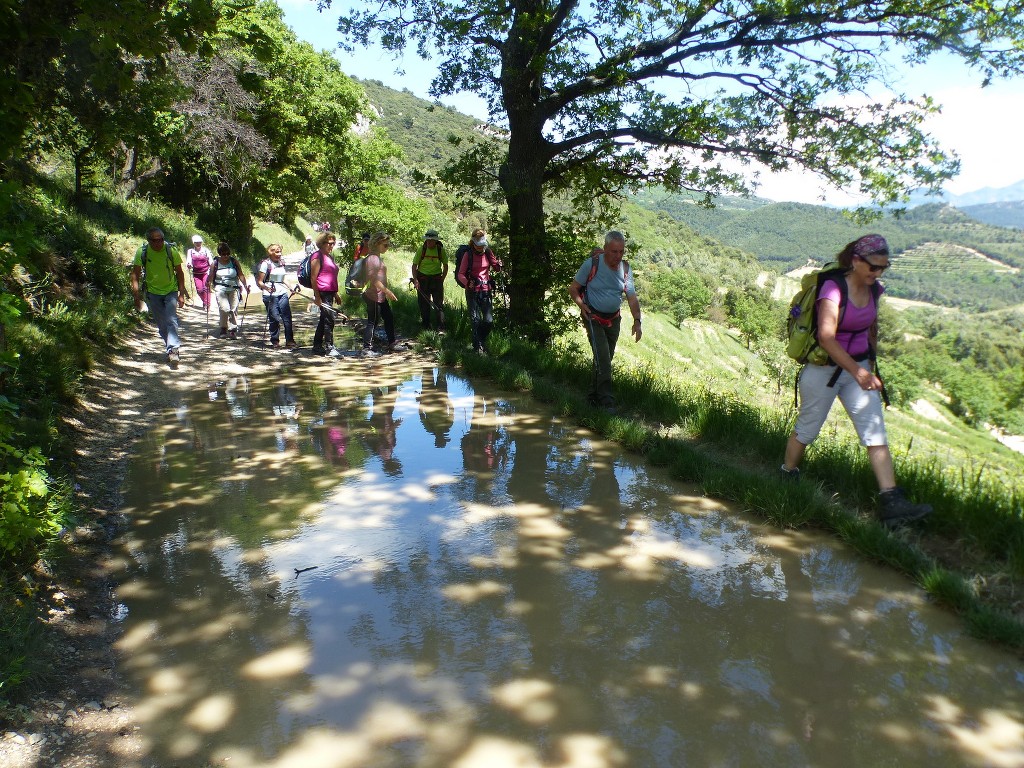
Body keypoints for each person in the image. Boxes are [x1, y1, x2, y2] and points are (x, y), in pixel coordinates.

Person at [781, 234, 932, 529]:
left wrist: (869, 366)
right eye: (874, 267)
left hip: (857, 368)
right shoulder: (833, 288)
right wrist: (859, 372)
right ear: (856, 261)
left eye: (883, 268)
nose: (878, 274)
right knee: (807, 429)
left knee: (875, 433)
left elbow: (870, 327)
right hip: (824, 369)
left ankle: (891, 503)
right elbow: (826, 337)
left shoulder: (876, 290)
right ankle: (787, 472)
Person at [567, 230, 642, 411]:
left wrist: (637, 321)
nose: (618, 256)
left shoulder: (625, 268)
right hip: (592, 317)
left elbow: (631, 296)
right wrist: (581, 305)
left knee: (603, 359)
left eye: (621, 251)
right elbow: (573, 289)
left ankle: (592, 397)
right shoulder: (592, 264)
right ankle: (606, 402)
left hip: (614, 319)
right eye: (614, 251)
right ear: (605, 249)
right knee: (604, 359)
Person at [131, 227, 187, 364]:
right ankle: (170, 348)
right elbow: (135, 274)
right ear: (148, 240)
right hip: (153, 292)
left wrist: (181, 293)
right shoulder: (142, 252)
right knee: (162, 325)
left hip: (171, 290)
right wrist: (136, 296)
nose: (158, 243)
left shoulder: (171, 250)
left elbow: (179, 272)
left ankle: (173, 350)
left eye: (160, 239)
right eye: (154, 240)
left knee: (171, 319)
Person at [455, 228, 502, 354]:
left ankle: (479, 341)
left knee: (488, 321)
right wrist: (467, 283)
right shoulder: (467, 255)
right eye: (478, 245)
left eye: (482, 245)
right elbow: (460, 274)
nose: (481, 248)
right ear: (473, 243)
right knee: (475, 320)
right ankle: (479, 349)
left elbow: (496, 268)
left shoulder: (488, 252)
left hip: (486, 290)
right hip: (472, 291)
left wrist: (499, 264)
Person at [361, 232, 398, 357]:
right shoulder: (373, 258)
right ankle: (366, 348)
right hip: (373, 295)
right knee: (373, 321)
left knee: (388, 317)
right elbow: (373, 279)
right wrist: (387, 291)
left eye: (388, 245)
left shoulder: (376, 257)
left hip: (380, 294)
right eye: (385, 245)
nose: (387, 247)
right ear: (377, 244)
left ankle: (392, 343)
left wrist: (385, 291)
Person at [256, 243, 298, 349]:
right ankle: (275, 341)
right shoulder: (266, 264)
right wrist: (267, 288)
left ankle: (290, 340)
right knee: (274, 318)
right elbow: (260, 282)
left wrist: (290, 287)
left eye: (280, 252)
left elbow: (283, 279)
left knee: (287, 317)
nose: (279, 254)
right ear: (271, 252)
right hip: (269, 295)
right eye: (277, 252)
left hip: (282, 293)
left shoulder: (281, 263)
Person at [309, 231, 343, 357]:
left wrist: (336, 294)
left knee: (324, 319)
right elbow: (314, 278)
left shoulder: (329, 257)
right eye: (329, 243)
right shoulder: (317, 257)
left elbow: (331, 277)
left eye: (333, 243)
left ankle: (317, 346)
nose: (331, 246)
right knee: (329, 319)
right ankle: (329, 347)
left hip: (330, 292)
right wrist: (317, 297)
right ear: (322, 243)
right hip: (322, 292)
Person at [210, 242, 249, 340]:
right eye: (223, 254)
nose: (226, 256)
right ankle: (223, 328)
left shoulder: (234, 261)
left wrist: (245, 285)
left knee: (233, 309)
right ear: (220, 254)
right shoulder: (215, 263)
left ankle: (232, 330)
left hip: (234, 288)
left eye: (227, 254)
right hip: (220, 288)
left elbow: (240, 274)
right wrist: (208, 283)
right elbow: (211, 276)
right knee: (224, 308)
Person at [411, 229, 448, 331]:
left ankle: (441, 327)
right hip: (423, 279)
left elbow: (445, 266)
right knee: (424, 304)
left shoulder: (441, 250)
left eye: (431, 240)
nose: (429, 242)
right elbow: (414, 265)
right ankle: (426, 326)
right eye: (427, 240)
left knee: (439, 304)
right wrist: (415, 280)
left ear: (436, 241)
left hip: (436, 280)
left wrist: (442, 279)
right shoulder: (421, 249)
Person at [186, 235, 213, 310]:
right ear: (193, 243)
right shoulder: (191, 251)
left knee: (206, 288)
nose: (198, 244)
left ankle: (207, 305)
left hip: (205, 272)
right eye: (196, 242)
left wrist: (212, 270)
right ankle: (205, 301)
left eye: (200, 242)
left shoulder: (206, 250)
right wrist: (189, 265)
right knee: (199, 290)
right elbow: (189, 261)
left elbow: (210, 261)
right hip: (196, 274)